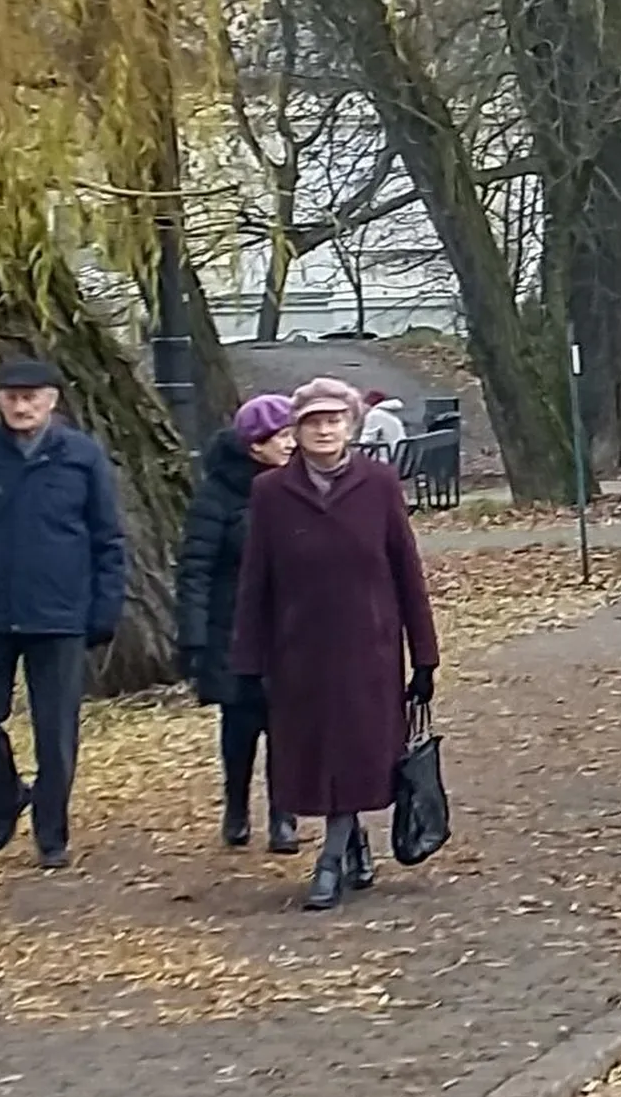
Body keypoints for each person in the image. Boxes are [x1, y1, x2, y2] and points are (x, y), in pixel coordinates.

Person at [232, 377, 440, 911]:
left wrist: (424, 655)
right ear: (295, 431)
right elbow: (256, 578)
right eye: (312, 422)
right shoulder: (271, 493)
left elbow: (406, 571)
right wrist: (247, 656)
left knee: (357, 752)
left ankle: (328, 861)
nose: (324, 430)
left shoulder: (379, 483)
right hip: (298, 650)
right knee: (315, 756)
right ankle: (351, 844)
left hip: (367, 647)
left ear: (351, 425)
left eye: (334, 420)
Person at [0, 358, 126, 871]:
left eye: (32, 396)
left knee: (55, 730)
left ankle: (51, 832)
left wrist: (105, 607)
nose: (21, 405)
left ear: (52, 400)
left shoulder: (81, 458)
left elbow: (108, 540)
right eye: (12, 396)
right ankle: (4, 799)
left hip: (60, 613)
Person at [177, 394, 301, 853]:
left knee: (287, 723)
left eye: (293, 434)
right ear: (255, 446)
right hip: (234, 628)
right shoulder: (218, 495)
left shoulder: (300, 486)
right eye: (282, 437)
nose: (291, 444)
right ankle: (236, 806)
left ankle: (283, 814)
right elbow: (195, 568)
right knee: (240, 723)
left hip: (291, 627)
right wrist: (192, 636)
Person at [357, 389, 408, 457]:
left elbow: (366, 444)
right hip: (399, 457)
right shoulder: (391, 413)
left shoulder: (374, 415)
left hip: (385, 459)